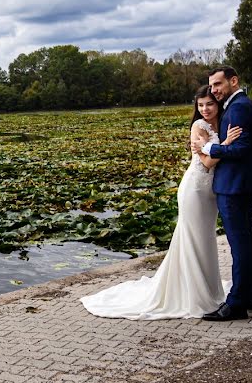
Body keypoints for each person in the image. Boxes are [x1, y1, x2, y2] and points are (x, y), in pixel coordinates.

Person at [80, 86, 241, 320]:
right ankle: (193, 294)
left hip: (210, 192)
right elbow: (206, 162)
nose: (205, 109)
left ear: (217, 105)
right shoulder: (199, 127)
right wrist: (226, 144)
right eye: (201, 105)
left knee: (205, 240)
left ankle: (208, 288)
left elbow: (215, 157)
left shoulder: (220, 124)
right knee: (192, 239)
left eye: (210, 104)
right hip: (195, 189)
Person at [193, 66, 252, 321]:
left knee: (240, 245)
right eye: (211, 86)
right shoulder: (238, 106)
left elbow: (243, 149)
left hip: (234, 187)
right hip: (239, 184)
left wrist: (210, 147)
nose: (214, 90)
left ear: (233, 81)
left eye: (218, 84)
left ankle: (237, 304)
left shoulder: (239, 108)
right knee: (248, 242)